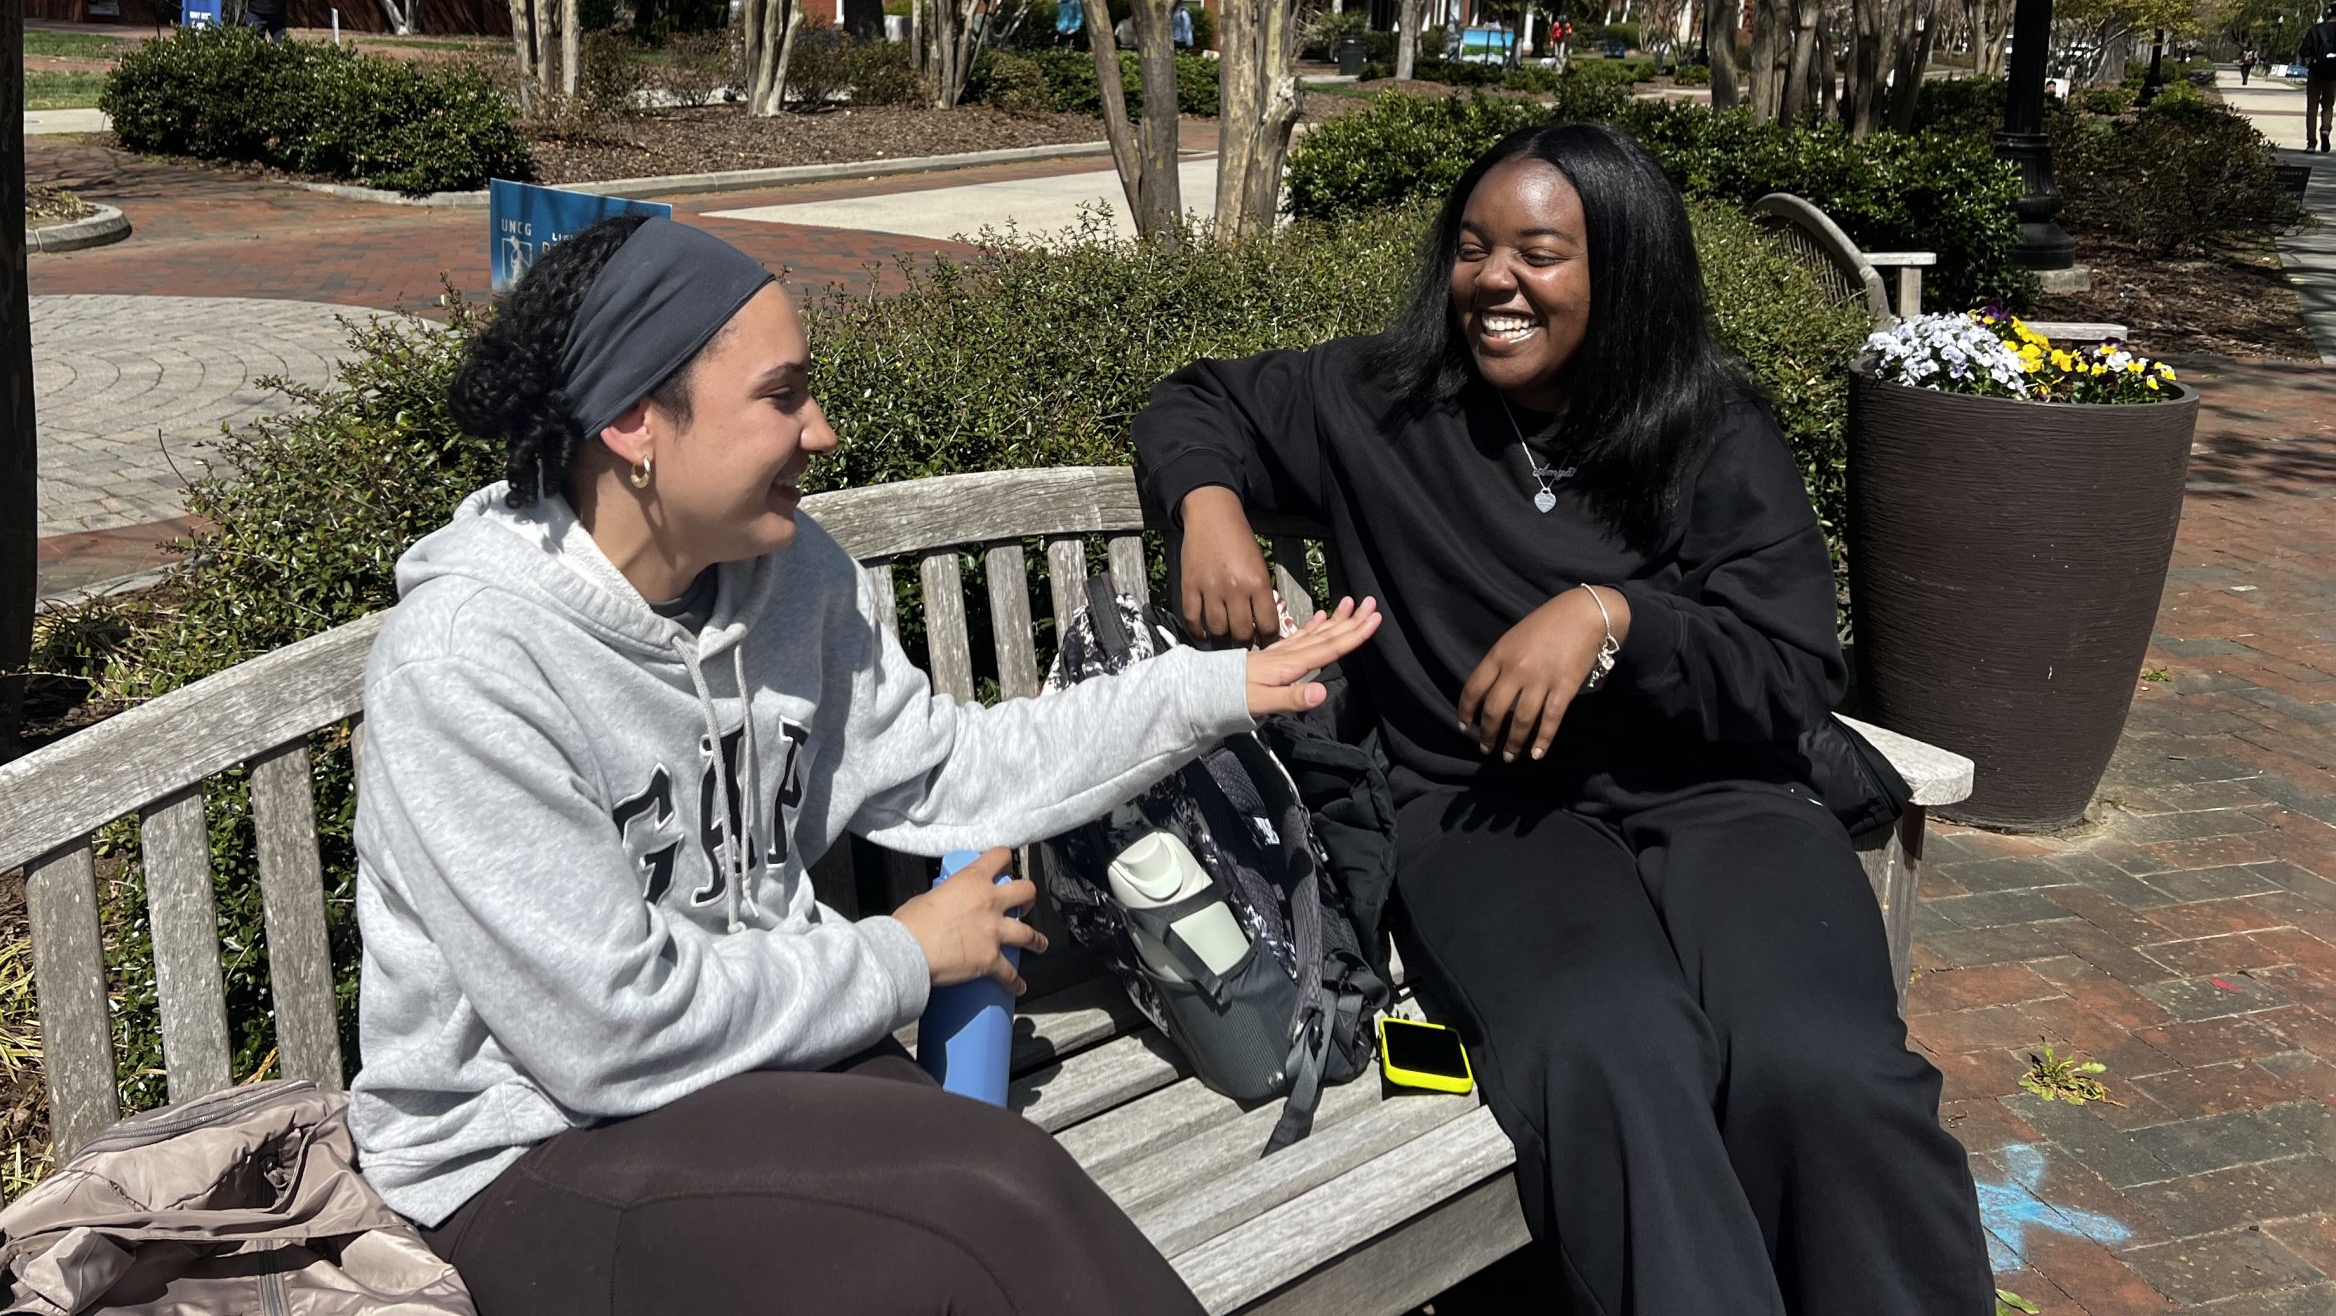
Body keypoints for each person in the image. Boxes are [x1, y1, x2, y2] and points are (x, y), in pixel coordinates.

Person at [349, 213, 1379, 1316]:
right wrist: (902, 956)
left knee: (997, 1206)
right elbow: (606, 1036)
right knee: (993, 1210)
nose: (823, 431)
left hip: (769, 1071)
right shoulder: (471, 660)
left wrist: (1214, 692)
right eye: (782, 395)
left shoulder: (791, 578)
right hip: (532, 1153)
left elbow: (954, 772)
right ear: (632, 421)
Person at [1133, 124, 1991, 1316]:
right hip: (1487, 815)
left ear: (1621, 270)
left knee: (1823, 1069)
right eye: (1475, 248)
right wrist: (1211, 503)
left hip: (1720, 796)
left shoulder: (1709, 424)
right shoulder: (1381, 403)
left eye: (1540, 253)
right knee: (1613, 1052)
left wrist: (1617, 617)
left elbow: (1791, 670)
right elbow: (1195, 400)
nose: (1495, 280)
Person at [2303, 3, 2336, 151]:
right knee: (2328, 106)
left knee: (2312, 108)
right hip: (2333, 74)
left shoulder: (2315, 30)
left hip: (2316, 72)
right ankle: (2325, 130)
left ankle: (2311, 143)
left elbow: (2304, 52)